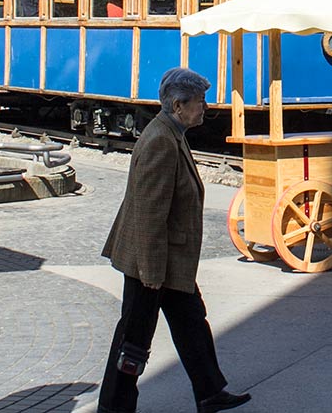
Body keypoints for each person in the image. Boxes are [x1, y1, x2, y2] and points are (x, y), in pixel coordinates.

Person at [98, 68, 251, 413]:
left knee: (192, 323)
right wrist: (152, 273)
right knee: (134, 338)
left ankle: (210, 392)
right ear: (179, 105)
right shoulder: (161, 142)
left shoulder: (172, 132)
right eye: (200, 102)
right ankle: (114, 405)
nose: (205, 107)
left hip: (169, 260)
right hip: (151, 263)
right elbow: (149, 215)